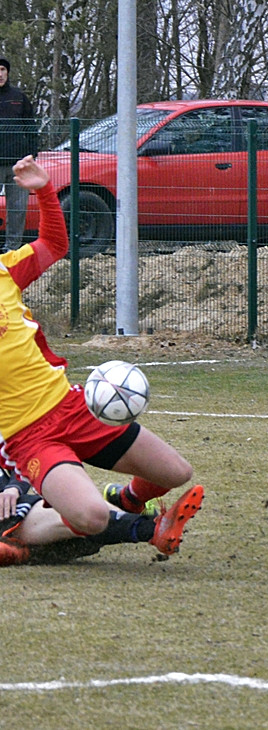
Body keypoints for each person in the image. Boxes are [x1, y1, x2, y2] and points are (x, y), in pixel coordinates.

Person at [0, 155, 204, 552]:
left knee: (175, 472)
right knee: (90, 517)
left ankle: (126, 500)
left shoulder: (6, 272)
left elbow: (54, 244)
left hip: (74, 407)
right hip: (29, 437)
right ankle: (136, 528)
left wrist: (43, 190)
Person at [0, 472, 179, 566]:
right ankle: (140, 516)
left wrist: (14, 487)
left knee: (78, 516)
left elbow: (25, 458)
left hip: (16, 507)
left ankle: (128, 504)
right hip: (13, 523)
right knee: (74, 521)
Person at [0, 57, 38, 251]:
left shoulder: (19, 97)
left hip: (17, 164)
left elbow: (30, 127)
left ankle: (12, 249)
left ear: (7, 72)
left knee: (17, 208)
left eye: (2, 69)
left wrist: (32, 155)